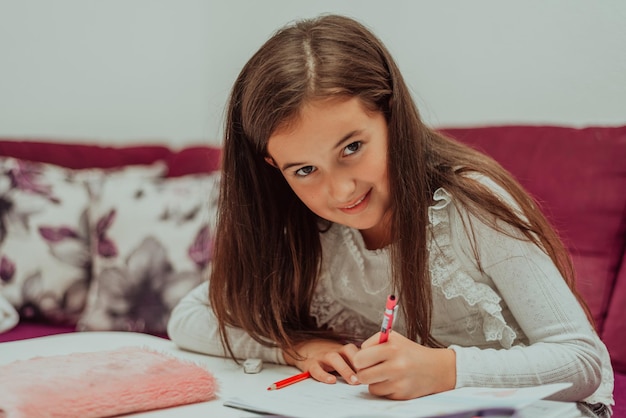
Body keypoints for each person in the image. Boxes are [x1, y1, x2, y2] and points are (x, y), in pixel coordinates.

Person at [167, 14, 614, 416]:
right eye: (305, 170)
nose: (340, 190)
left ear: (391, 114)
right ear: (274, 168)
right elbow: (188, 318)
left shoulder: (469, 206)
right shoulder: (300, 224)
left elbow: (582, 359)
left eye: (352, 148)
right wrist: (297, 347)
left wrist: (445, 369)